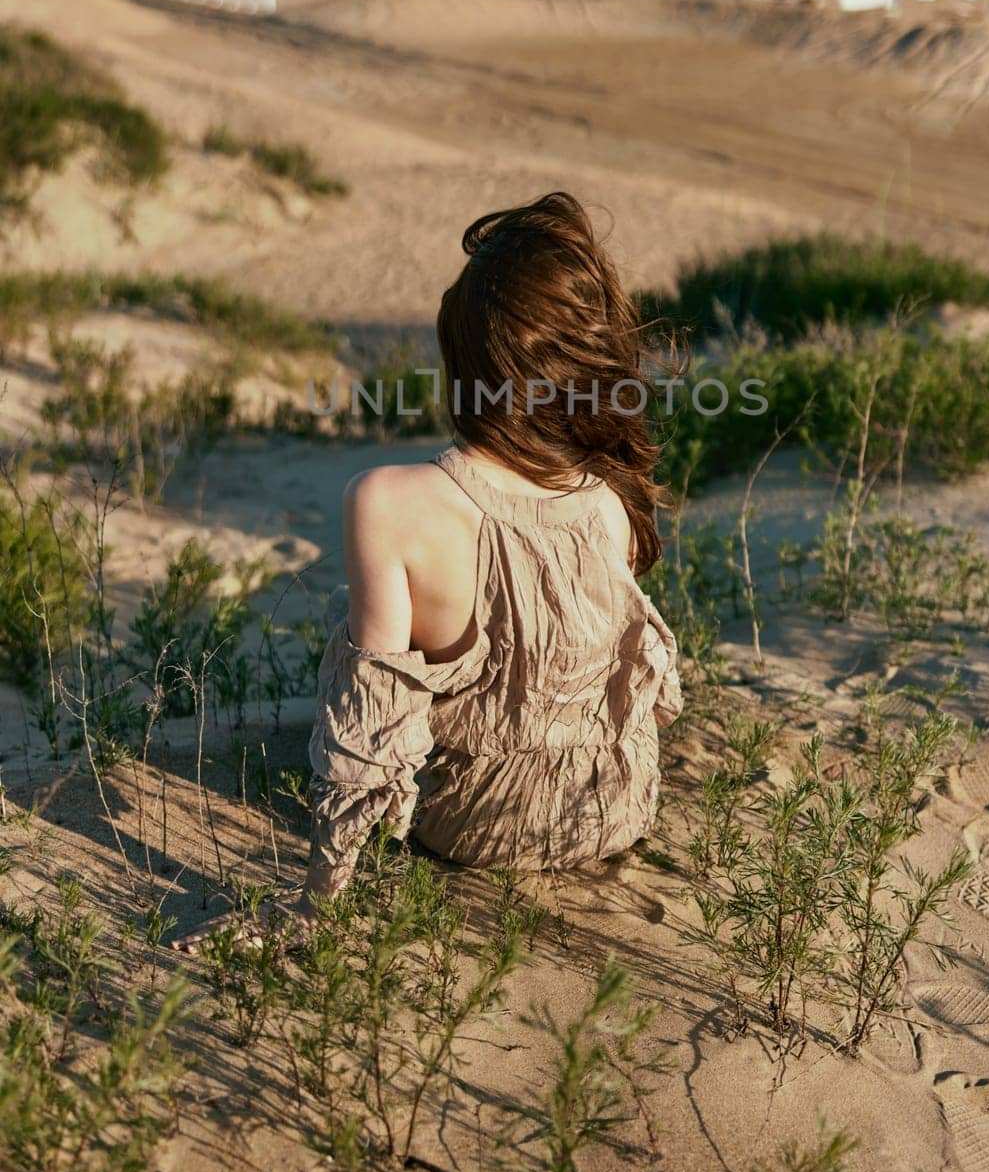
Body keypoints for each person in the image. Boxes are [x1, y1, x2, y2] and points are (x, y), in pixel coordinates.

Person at [176, 191, 679, 950]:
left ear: (463, 360)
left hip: (476, 824)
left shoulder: (390, 500)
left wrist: (317, 902)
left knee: (360, 621)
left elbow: (368, 722)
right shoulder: (612, 495)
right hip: (611, 807)